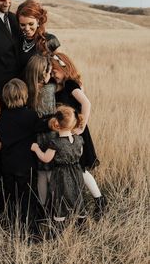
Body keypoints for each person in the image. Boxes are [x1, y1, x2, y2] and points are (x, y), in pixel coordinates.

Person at [51, 52, 107, 220]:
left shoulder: (70, 85)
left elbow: (86, 103)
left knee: (80, 169)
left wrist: (81, 126)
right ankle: (85, 201)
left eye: (55, 70)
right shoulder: (57, 86)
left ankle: (99, 200)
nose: (53, 73)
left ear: (64, 67)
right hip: (67, 131)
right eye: (51, 71)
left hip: (76, 132)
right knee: (77, 170)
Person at [0, 78, 40, 232]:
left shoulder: (0, 118)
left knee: (10, 196)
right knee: (27, 197)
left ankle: (10, 225)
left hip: (7, 165)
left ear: (5, 98)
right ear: (24, 96)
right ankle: (30, 228)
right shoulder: (31, 116)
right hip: (27, 165)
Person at [31, 105, 86, 226]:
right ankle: (81, 220)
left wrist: (36, 149)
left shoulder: (55, 143)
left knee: (60, 197)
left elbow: (46, 158)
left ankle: (59, 224)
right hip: (76, 172)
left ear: (56, 123)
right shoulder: (79, 139)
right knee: (76, 195)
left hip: (61, 174)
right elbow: (79, 153)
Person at [25, 54, 57, 207]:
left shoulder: (28, 91)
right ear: (44, 74)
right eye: (49, 72)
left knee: (41, 175)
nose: (51, 75)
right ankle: (55, 207)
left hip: (36, 137)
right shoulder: (51, 88)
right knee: (51, 173)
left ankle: (43, 206)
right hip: (51, 134)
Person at [16, 0, 60, 72]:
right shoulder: (17, 41)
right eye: (22, 25)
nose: (27, 28)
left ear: (38, 21)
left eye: (31, 24)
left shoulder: (50, 40)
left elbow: (62, 68)